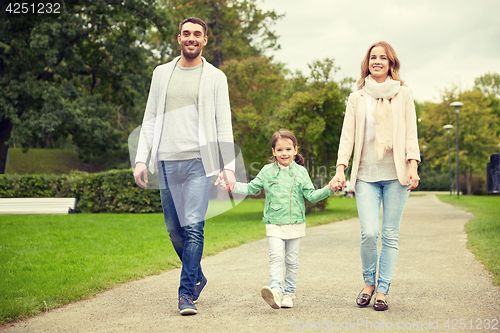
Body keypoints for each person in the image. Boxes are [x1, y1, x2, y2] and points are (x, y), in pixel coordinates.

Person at [133, 17, 236, 316]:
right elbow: (150, 116)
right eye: (186, 33)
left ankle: (185, 294)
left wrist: (227, 166)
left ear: (205, 40)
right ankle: (198, 275)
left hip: (198, 163)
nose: (192, 38)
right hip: (166, 161)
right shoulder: (161, 73)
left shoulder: (216, 77)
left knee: (193, 228)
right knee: (174, 230)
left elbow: (223, 123)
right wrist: (142, 158)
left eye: (197, 34)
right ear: (179, 38)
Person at [328, 41, 420, 311]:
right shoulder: (357, 97)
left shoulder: (403, 94)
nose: (377, 61)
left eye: (382, 58)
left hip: (396, 174)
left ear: (391, 63)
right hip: (366, 174)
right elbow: (347, 135)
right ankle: (368, 282)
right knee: (369, 233)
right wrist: (340, 167)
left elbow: (410, 132)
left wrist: (413, 165)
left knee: (390, 235)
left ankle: (382, 290)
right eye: (372, 57)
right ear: (367, 63)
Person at [218, 129, 337, 309]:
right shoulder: (267, 171)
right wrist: (232, 187)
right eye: (279, 150)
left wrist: (330, 188)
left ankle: (288, 293)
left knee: (291, 260)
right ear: (273, 151)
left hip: (296, 223)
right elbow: (251, 188)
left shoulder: (301, 172)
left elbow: (311, 195)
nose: (284, 153)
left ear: (295, 150)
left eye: (288, 149)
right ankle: (275, 291)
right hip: (274, 222)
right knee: (275, 257)